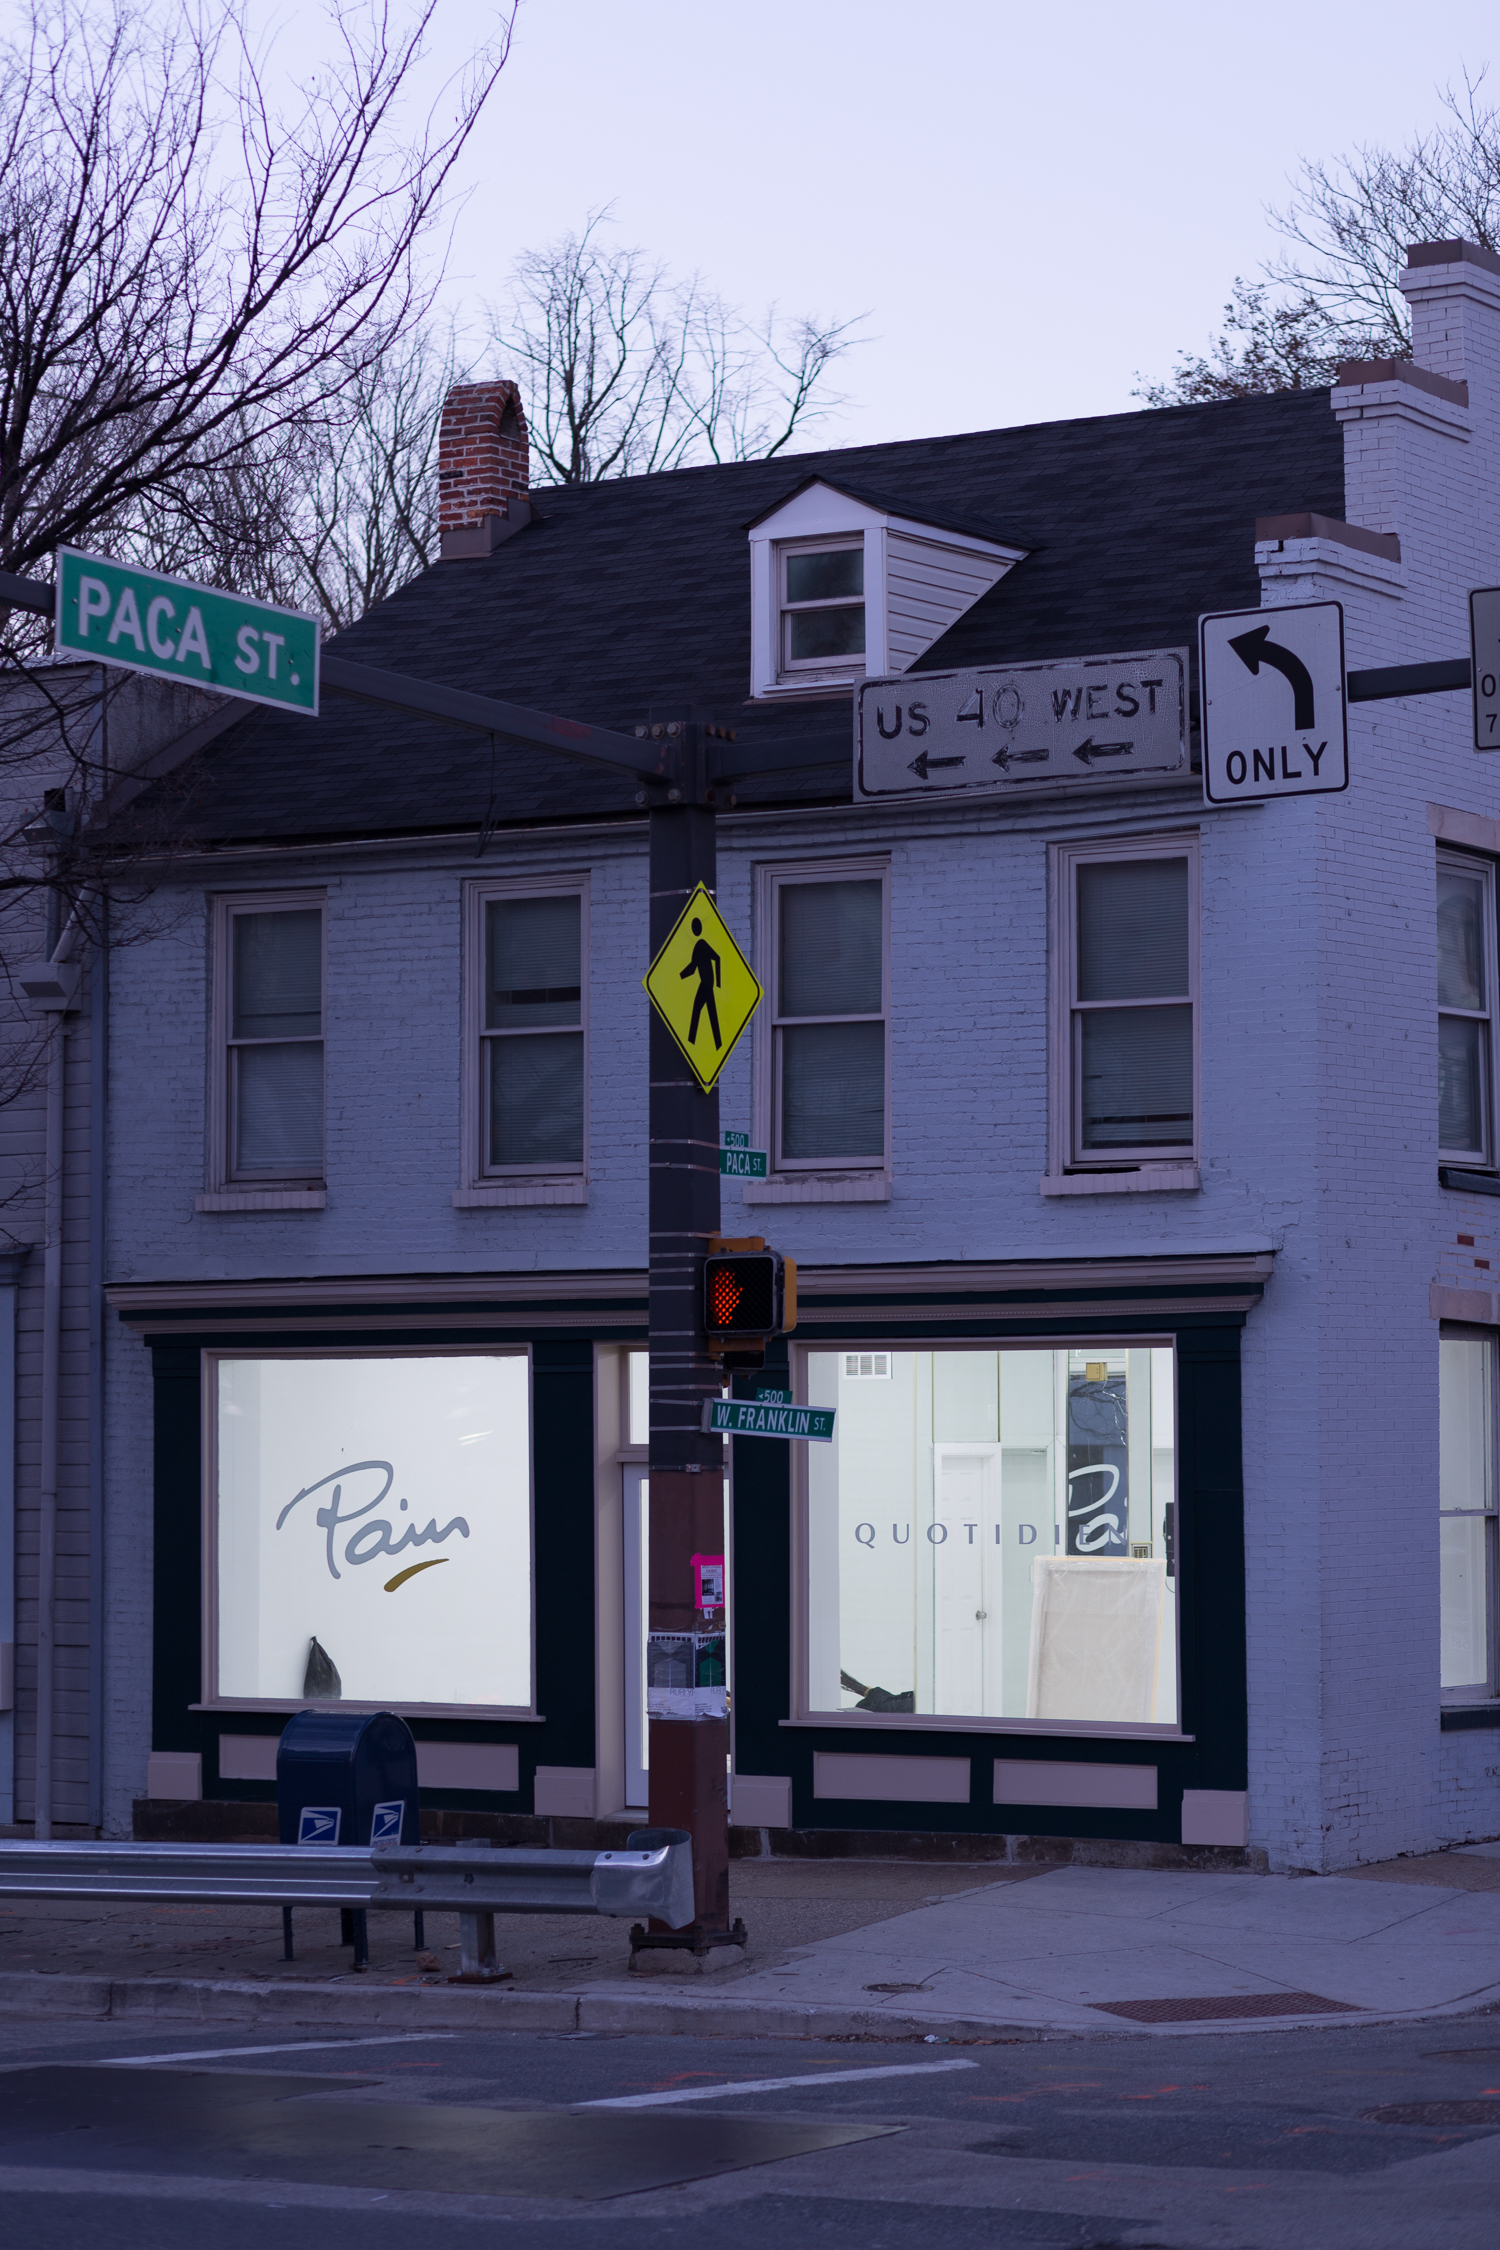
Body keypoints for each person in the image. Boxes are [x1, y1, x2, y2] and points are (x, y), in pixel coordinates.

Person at [680, 916, 721, 1048]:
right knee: (710, 1014)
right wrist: (680, 975)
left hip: (706, 985)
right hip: (706, 984)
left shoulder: (701, 944)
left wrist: (718, 983)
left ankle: (692, 1041)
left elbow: (717, 958)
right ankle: (716, 1044)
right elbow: (693, 968)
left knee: (700, 1011)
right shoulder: (699, 945)